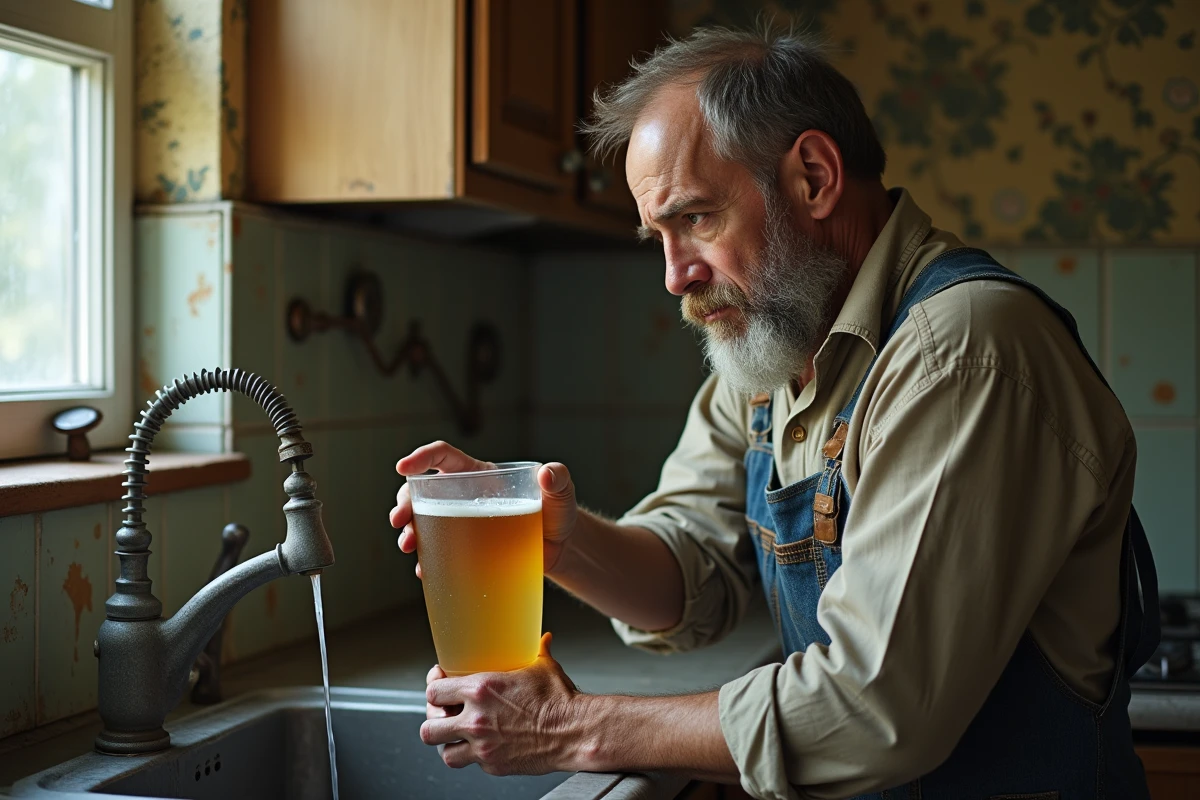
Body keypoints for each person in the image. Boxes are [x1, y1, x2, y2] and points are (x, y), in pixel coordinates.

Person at [388, 25, 1159, 800]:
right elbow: (691, 575)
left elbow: (873, 709)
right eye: (657, 235)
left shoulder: (959, 351)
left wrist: (571, 728)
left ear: (814, 178)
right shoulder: (778, 345)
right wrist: (552, 538)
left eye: (695, 219)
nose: (673, 276)